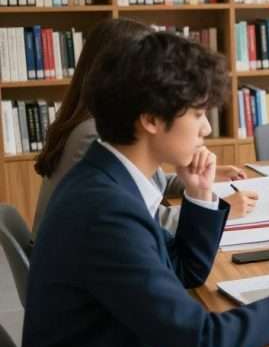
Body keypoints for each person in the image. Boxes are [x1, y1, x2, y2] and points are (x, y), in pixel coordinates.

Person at [18, 31, 269, 347]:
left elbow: (182, 270)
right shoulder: (106, 211)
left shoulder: (108, 179)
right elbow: (201, 345)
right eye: (198, 113)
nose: (206, 129)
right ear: (151, 120)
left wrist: (199, 194)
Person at [32, 18, 253, 237]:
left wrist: (198, 181)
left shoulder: (105, 125)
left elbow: (145, 181)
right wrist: (217, 210)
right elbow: (145, 221)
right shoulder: (94, 133)